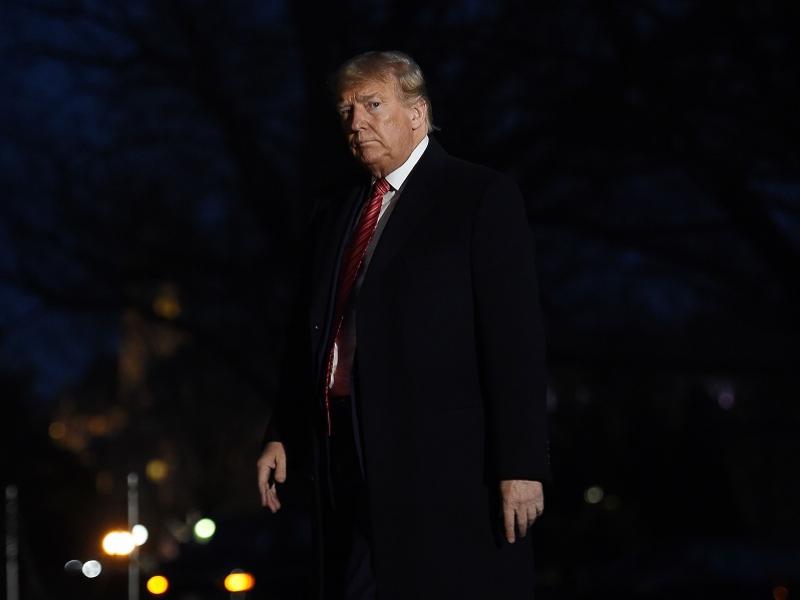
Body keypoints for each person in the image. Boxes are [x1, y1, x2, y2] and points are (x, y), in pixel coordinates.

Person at [256, 50, 550, 600]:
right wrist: (283, 430)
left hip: (445, 467)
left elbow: (515, 341)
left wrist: (521, 463)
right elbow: (311, 332)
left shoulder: (477, 196)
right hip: (345, 455)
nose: (356, 122)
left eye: (372, 105)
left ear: (417, 113)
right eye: (346, 111)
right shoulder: (336, 211)